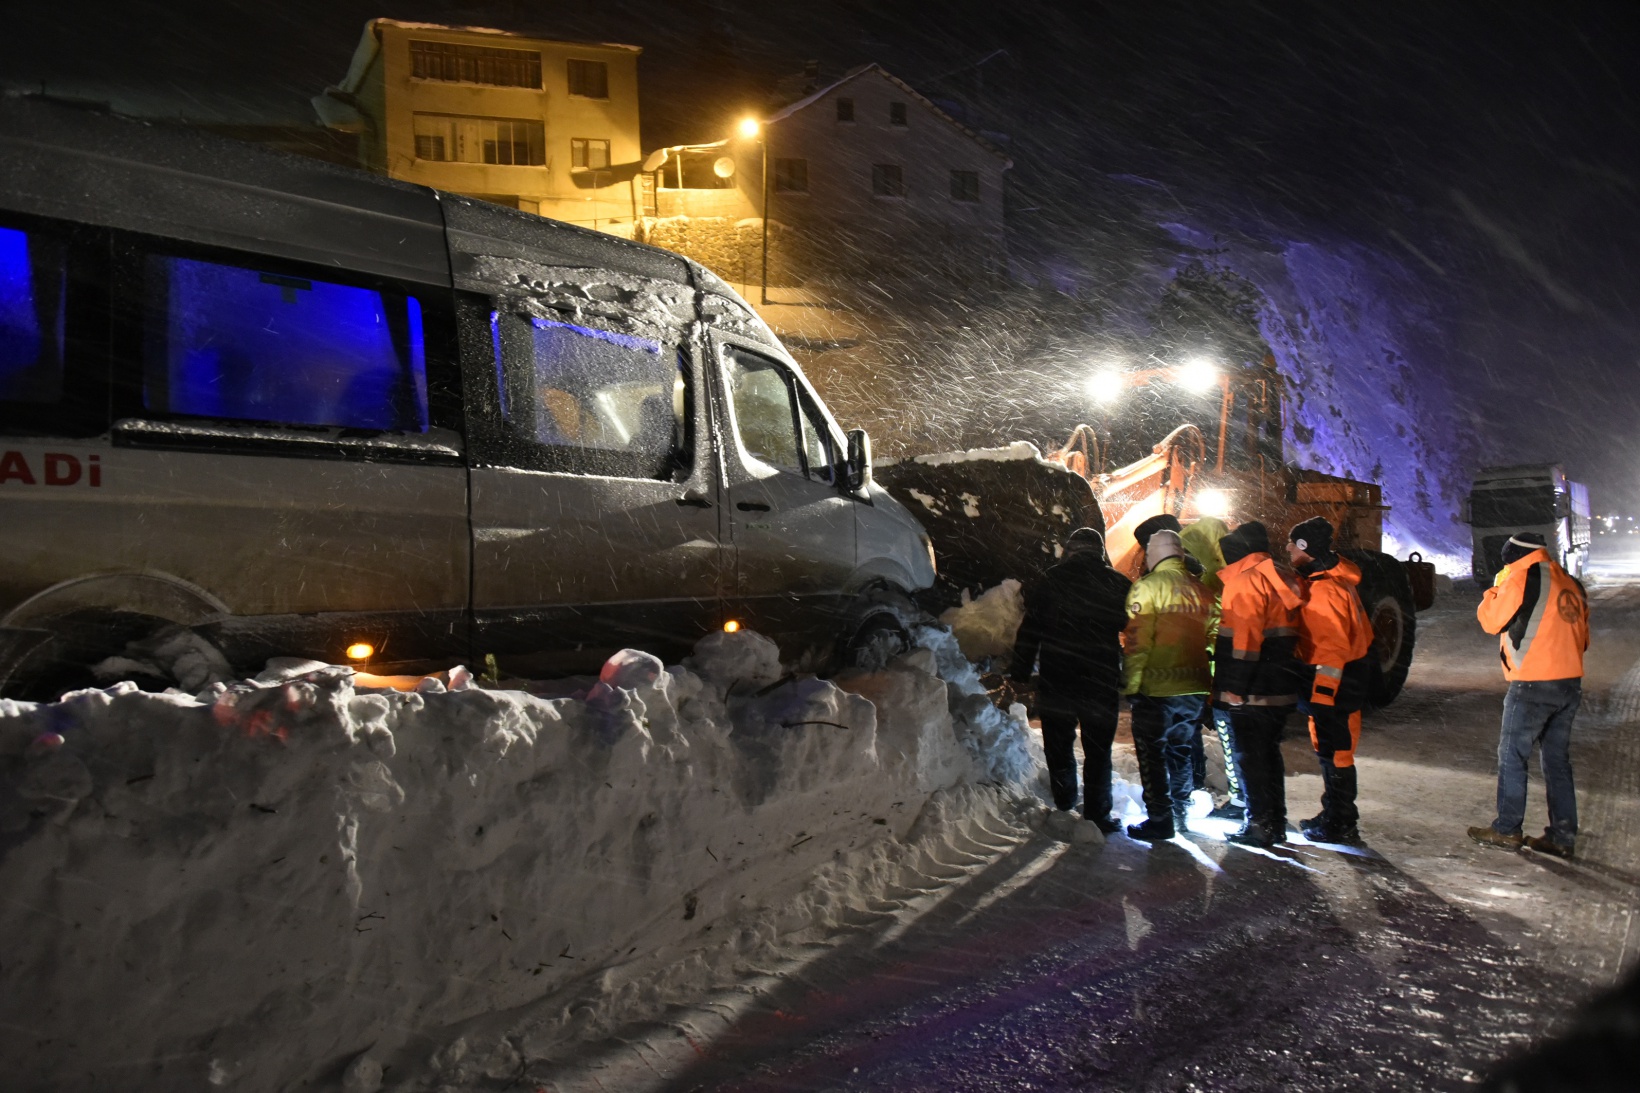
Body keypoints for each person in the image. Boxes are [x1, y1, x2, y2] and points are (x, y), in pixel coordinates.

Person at [1468, 532, 1590, 859]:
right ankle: (1562, 836)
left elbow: (1491, 621)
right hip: (1569, 682)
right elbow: (1584, 637)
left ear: (1512, 556)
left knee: (1512, 754)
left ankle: (1507, 829)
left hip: (1533, 683)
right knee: (1556, 761)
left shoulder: (1521, 578)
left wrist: (1496, 587)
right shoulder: (1569, 581)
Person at [1011, 527, 1133, 833]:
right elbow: (1129, 626)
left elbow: (1030, 629)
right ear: (1101, 551)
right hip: (1100, 676)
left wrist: (1020, 673)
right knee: (1098, 750)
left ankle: (1064, 802)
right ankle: (1097, 813)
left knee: (1058, 743)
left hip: (1058, 677)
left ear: (1069, 551)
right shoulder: (1118, 583)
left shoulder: (1052, 580)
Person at [1213, 520, 1304, 847]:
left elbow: (1245, 640)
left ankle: (1260, 825)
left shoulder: (1245, 582)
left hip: (1252, 689)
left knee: (1251, 758)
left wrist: (1234, 686)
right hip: (1278, 683)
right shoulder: (1281, 576)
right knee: (1268, 754)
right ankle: (1273, 821)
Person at [1121, 529, 1214, 839]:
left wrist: (1132, 685)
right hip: (1195, 687)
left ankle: (1160, 818)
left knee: (1152, 753)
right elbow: (1213, 639)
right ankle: (1180, 808)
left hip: (1157, 688)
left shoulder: (1147, 588)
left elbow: (1138, 643)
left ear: (1155, 554)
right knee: (1181, 749)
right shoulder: (1201, 589)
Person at [1286, 517, 1375, 843]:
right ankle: (1336, 812)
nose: (1287, 548)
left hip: (1335, 688)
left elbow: (1332, 654)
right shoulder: (1333, 579)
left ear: (1305, 548)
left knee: (1335, 752)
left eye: (1292, 543)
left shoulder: (1324, 591)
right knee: (1336, 751)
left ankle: (1340, 821)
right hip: (1347, 682)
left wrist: (1322, 697)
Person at [1181, 516, 1248, 821]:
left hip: (1223, 682)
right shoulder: (1234, 583)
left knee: (1232, 743)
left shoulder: (1220, 587)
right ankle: (1248, 801)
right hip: (1232, 680)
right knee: (1241, 744)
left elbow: (1216, 641)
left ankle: (1241, 801)